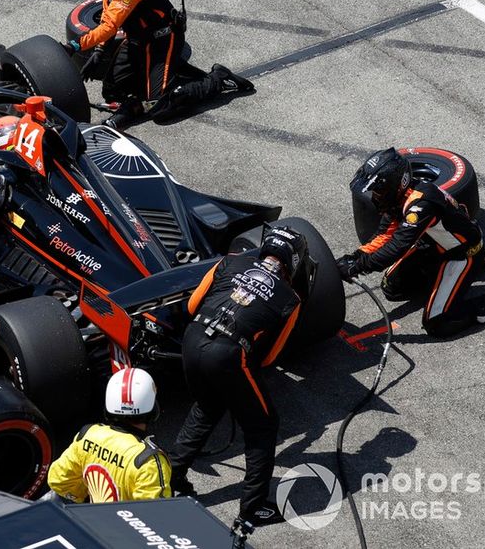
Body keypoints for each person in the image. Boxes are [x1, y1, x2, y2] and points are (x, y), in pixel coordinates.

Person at [169, 226, 309, 542]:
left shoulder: (230, 261)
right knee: (263, 426)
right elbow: (270, 356)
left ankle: (172, 479)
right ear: (293, 261)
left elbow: (192, 305)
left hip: (192, 339)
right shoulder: (291, 299)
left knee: (207, 406)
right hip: (229, 354)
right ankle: (252, 509)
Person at [66, 0, 252, 129]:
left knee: (160, 109)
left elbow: (110, 26)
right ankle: (169, 77)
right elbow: (108, 7)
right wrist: (100, 50)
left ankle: (218, 79)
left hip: (162, 39)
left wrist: (75, 46)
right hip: (138, 39)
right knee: (112, 92)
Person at [336, 148, 485, 335]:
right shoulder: (399, 199)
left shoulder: (421, 205)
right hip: (432, 248)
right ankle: (445, 283)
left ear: (396, 184)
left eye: (379, 191)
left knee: (438, 323)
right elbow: (384, 235)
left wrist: (357, 267)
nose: (375, 197)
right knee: (392, 287)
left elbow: (396, 247)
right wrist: (353, 257)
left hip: (462, 254)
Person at [47, 367, 172, 503]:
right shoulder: (148, 462)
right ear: (153, 410)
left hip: (88, 514)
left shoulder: (87, 435)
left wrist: (84, 500)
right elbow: (155, 512)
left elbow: (58, 480)